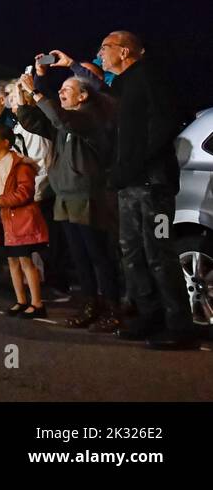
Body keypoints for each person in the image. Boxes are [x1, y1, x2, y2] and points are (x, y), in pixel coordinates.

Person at [98, 31, 198, 349]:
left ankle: (179, 326)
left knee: (159, 253)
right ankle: (149, 316)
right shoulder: (120, 85)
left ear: (124, 51)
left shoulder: (150, 77)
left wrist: (136, 164)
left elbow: (166, 124)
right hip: (128, 185)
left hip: (154, 185)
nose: (100, 54)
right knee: (131, 253)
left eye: (104, 48)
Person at [15, 70, 118, 331]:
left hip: (86, 196)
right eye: (59, 89)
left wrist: (37, 93)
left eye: (67, 89)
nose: (60, 92)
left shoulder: (89, 117)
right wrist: (25, 100)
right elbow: (34, 122)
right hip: (65, 195)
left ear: (83, 96)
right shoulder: (64, 122)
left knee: (98, 255)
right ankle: (90, 305)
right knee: (79, 256)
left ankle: (113, 308)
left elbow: (61, 119)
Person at [0, 125, 48, 318]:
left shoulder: (20, 165)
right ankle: (21, 300)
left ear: (5, 142)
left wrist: (1, 201)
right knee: (12, 261)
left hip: (20, 219)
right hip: (2, 220)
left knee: (25, 261)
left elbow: (25, 191)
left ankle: (37, 302)